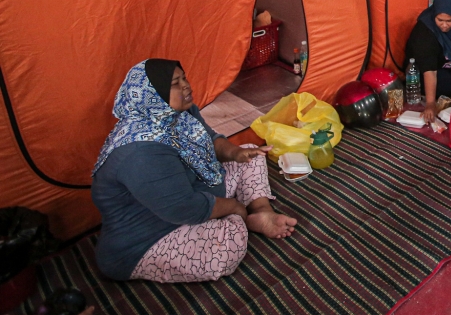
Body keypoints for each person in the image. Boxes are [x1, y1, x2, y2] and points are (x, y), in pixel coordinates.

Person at [91, 60, 297, 283]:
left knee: (251, 154)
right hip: (149, 236)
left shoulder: (178, 114)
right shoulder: (141, 152)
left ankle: (261, 211)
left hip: (193, 192)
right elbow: (185, 208)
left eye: (184, 78)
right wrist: (237, 208)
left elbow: (209, 139)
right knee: (226, 248)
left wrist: (235, 153)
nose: (186, 86)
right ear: (152, 94)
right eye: (175, 83)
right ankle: (242, 218)